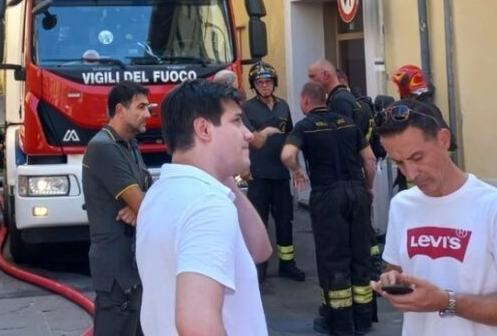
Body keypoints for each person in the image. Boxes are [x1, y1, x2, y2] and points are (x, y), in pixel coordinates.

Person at [371, 99, 497, 335]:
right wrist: (391, 281)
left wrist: (445, 301)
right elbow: (398, 271)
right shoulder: (402, 205)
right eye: (399, 163)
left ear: (444, 139)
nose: (410, 173)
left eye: (417, 157)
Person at [136, 79, 272, 335]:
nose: (248, 133)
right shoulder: (207, 205)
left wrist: (223, 174)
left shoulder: (160, 194)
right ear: (203, 129)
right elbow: (198, 325)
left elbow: (259, 250)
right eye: (236, 121)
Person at [281, 81, 376, 336]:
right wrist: (368, 188)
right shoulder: (348, 123)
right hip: (357, 191)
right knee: (360, 256)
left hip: (328, 196)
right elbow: (370, 159)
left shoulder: (305, 126)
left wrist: (297, 170)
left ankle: (339, 323)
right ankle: (364, 320)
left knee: (333, 259)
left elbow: (287, 154)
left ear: (305, 101)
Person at [81, 81, 152, 336]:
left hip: (133, 266)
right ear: (120, 111)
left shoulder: (130, 145)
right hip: (116, 273)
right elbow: (147, 204)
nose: (148, 114)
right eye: (141, 107)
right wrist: (142, 205)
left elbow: (149, 196)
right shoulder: (104, 148)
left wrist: (139, 207)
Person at [241, 62, 305, 283]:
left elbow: (291, 139)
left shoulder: (283, 106)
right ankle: (259, 265)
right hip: (258, 174)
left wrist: (295, 168)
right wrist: (266, 131)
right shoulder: (246, 109)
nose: (265, 86)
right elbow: (252, 141)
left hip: (280, 173)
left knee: (285, 220)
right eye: (260, 82)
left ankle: (288, 263)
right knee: (258, 220)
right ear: (254, 85)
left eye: (268, 82)